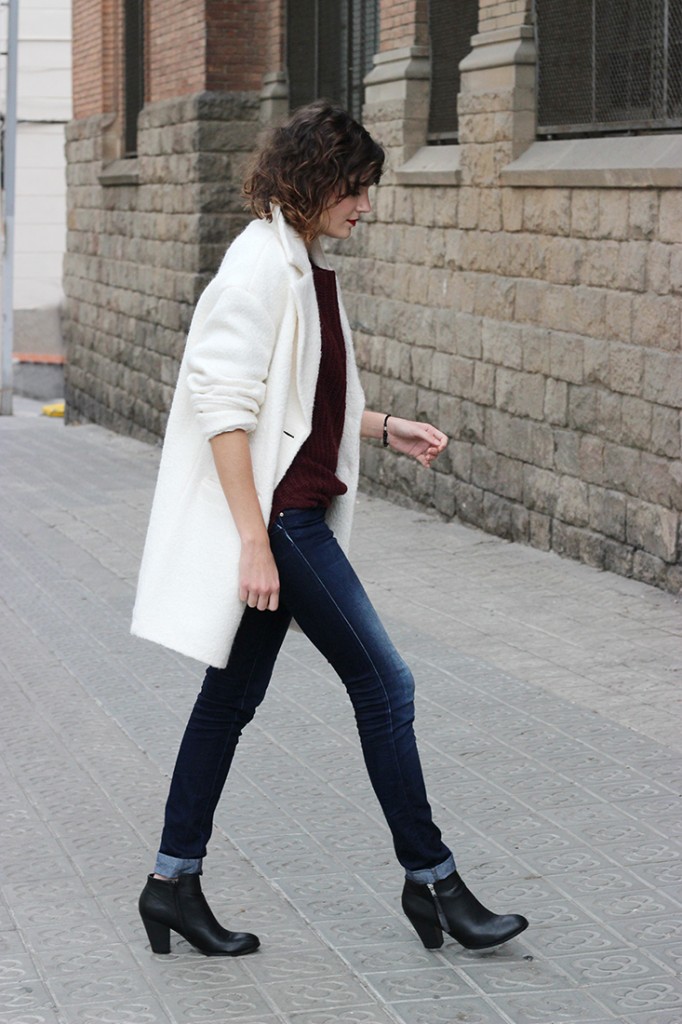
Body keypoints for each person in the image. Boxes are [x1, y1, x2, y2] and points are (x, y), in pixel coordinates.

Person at [132, 101, 528, 958]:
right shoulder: (258, 268)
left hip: (290, 515)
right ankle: (433, 883)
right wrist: (253, 541)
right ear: (314, 182)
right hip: (283, 523)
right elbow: (224, 410)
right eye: (356, 189)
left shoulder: (301, 263)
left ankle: (170, 884)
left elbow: (300, 401)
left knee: (228, 702)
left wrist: (385, 429)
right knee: (386, 685)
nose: (366, 206)